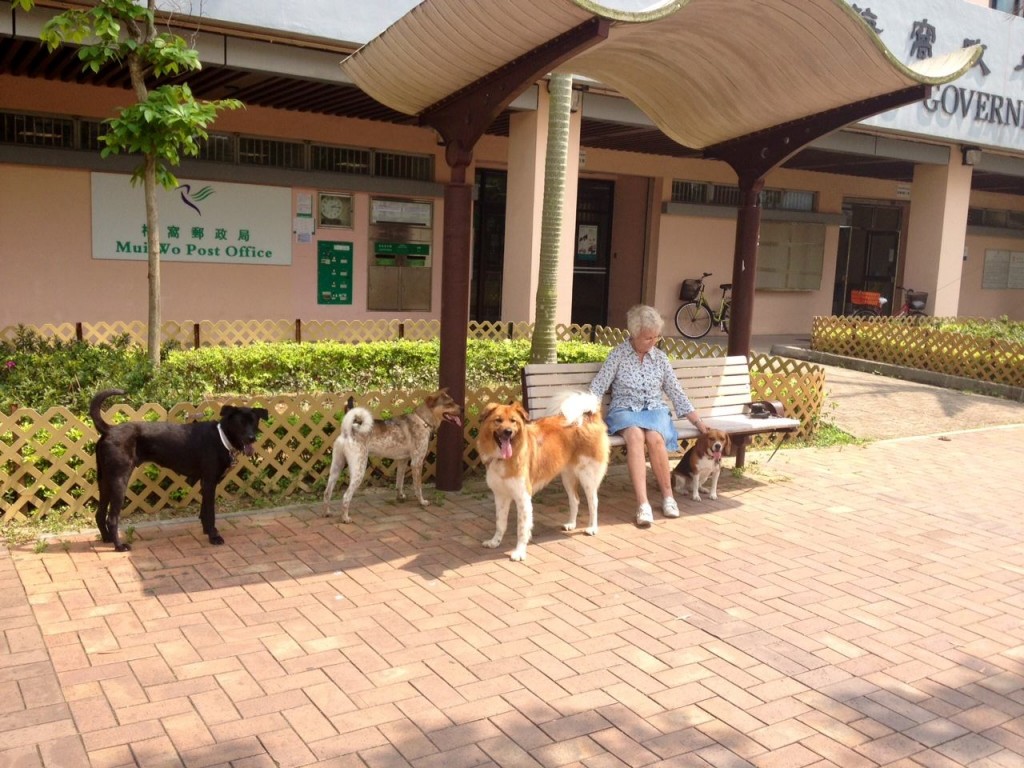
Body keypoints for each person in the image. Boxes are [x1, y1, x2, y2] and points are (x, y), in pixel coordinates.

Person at [590, 304, 709, 528]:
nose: (652, 342)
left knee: (655, 438)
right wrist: (585, 414)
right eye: (647, 338)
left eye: (655, 337)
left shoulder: (661, 359)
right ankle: (643, 504)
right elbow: (598, 387)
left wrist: (697, 421)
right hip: (625, 410)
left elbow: (676, 391)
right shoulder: (618, 355)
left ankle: (668, 497)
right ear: (634, 335)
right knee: (635, 436)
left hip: (654, 410)